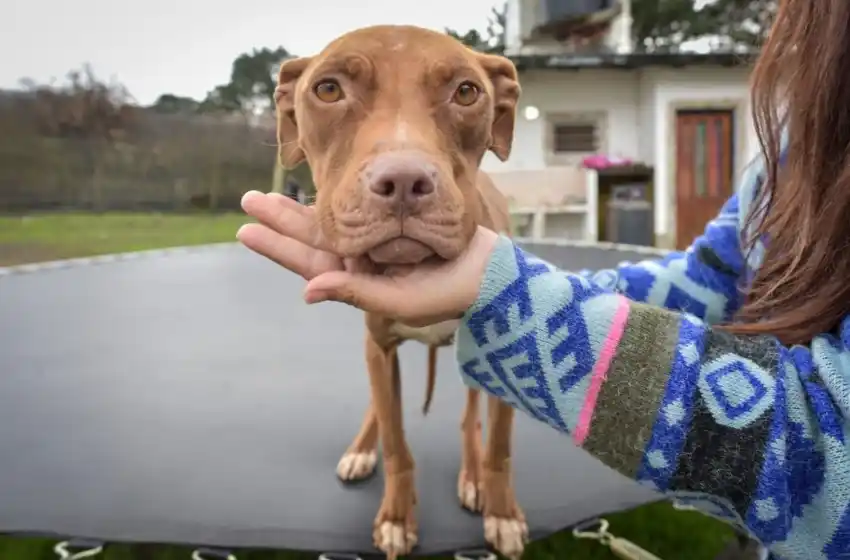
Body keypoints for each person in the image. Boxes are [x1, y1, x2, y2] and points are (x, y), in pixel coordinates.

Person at [236, 1, 850, 557]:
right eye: (330, 89)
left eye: (466, 94)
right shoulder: (798, 147)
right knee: (388, 342)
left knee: (477, 375)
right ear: (291, 113)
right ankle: (385, 437)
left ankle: (484, 463)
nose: (402, 165)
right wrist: (517, 292)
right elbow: (709, 279)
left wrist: (510, 305)